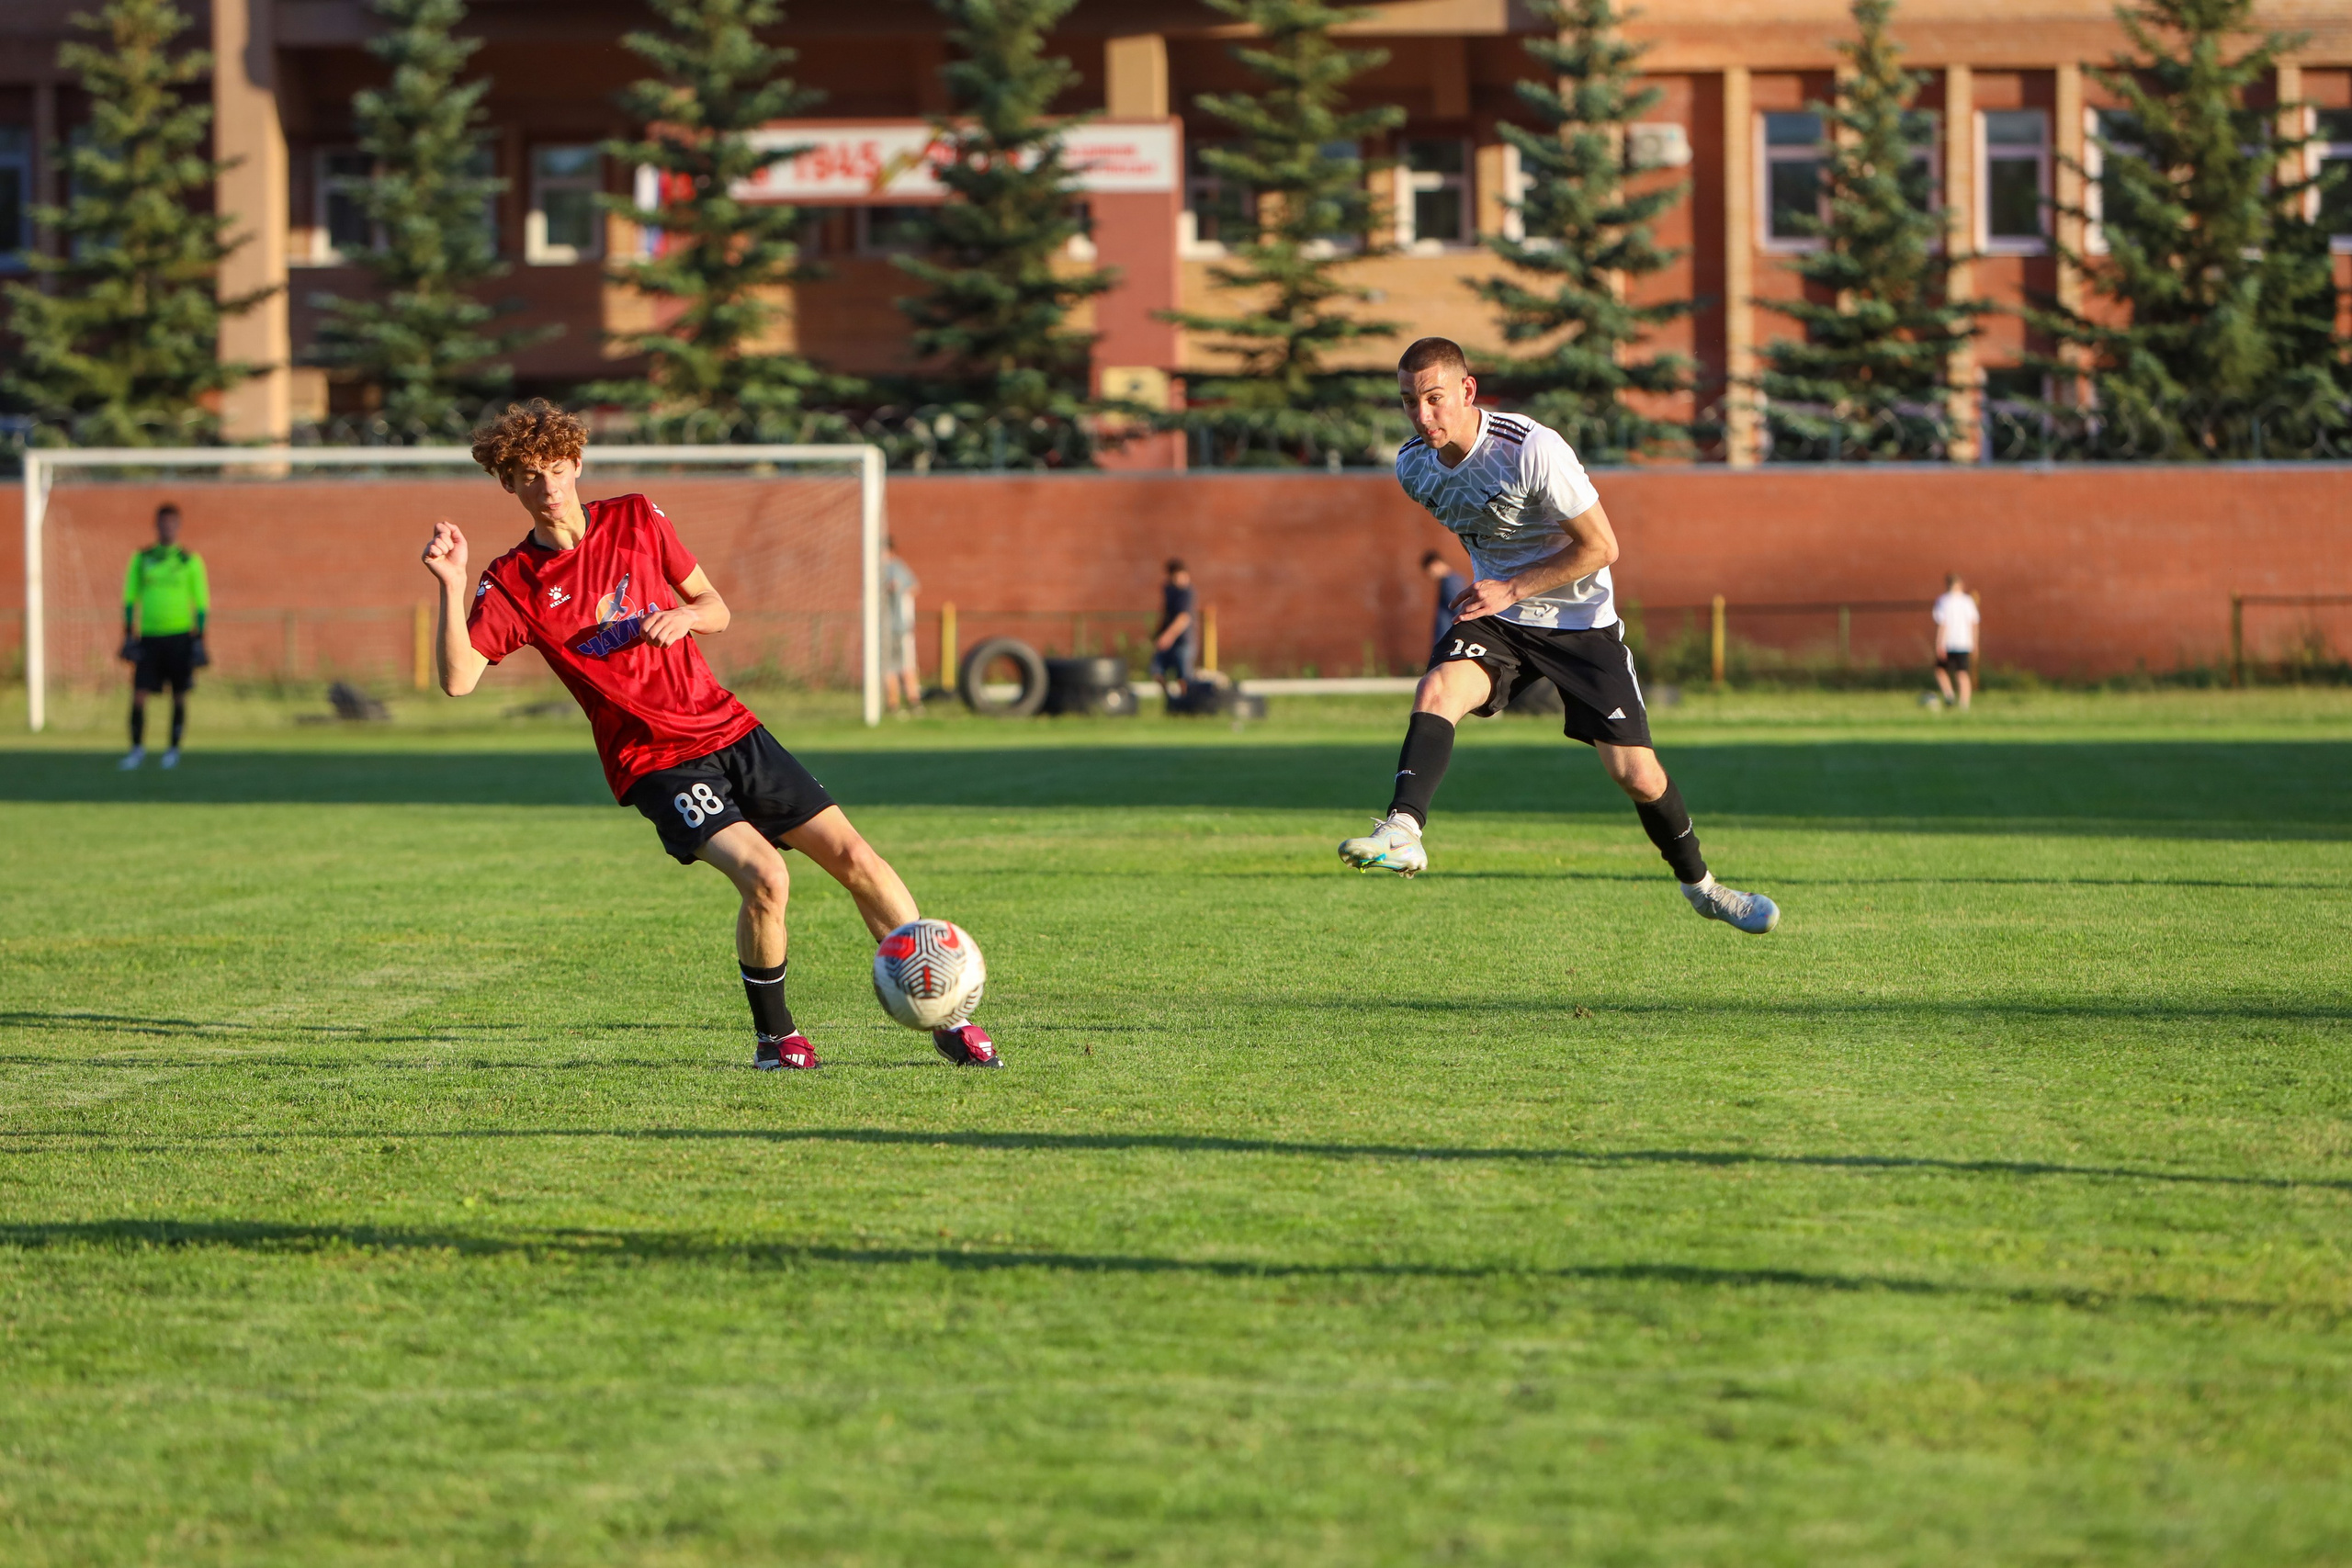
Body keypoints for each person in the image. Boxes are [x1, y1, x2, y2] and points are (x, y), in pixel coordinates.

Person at [420, 400, 999, 1070]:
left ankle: (946, 1016)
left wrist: (685, 616)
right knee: (766, 875)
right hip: (657, 761)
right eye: (527, 474)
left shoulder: (636, 517)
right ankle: (777, 1039)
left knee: (857, 859)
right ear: (509, 485)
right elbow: (459, 680)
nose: (546, 485)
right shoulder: (514, 581)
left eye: (555, 467)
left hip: (728, 726)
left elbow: (716, 607)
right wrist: (451, 583)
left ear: (577, 464)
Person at [1339, 338, 1781, 934]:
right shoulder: (1413, 467)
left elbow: (1603, 547)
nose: (1422, 416)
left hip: (1579, 624)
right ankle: (1403, 828)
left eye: (1435, 399)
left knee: (1636, 775)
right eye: (1409, 402)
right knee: (1439, 687)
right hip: (1501, 617)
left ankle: (1703, 888)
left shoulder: (1531, 449)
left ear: (1467, 391)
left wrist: (1512, 586)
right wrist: (1500, 592)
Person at [118, 502, 209, 771]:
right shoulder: (143, 558)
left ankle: (172, 750)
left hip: (180, 636)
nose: (167, 527)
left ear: (178, 526)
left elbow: (202, 601)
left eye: (172, 523)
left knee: (179, 694)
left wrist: (200, 636)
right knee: (139, 694)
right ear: (156, 525)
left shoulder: (189, 561)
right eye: (163, 523)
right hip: (149, 637)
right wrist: (127, 632)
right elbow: (129, 597)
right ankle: (136, 750)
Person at [881, 538, 923, 715]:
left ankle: (913, 701)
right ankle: (894, 704)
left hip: (898, 628)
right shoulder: (878, 570)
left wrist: (897, 589)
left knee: (904, 664)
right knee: (887, 666)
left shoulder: (895, 568)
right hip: (885, 628)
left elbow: (914, 587)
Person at [1150, 558, 1197, 697]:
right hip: (1167, 641)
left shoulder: (1187, 593)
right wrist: (1158, 632)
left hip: (1183, 641)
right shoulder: (1169, 590)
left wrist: (1168, 636)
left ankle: (1184, 704)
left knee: (1183, 677)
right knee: (1156, 671)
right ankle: (1171, 699)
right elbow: (1165, 613)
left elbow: (1184, 618)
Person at [1932, 572, 1979, 710]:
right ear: (1960, 584)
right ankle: (1964, 704)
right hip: (1964, 642)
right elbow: (1974, 623)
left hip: (1948, 642)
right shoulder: (1968, 601)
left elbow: (1943, 624)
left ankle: (1949, 696)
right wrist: (1975, 643)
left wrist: (1939, 643)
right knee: (1962, 673)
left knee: (1941, 671)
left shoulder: (1943, 601)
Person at [1422, 549, 1469, 653]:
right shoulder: (1455, 579)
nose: (1431, 575)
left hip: (1449, 640)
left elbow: (1460, 610)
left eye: (1429, 571)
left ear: (1435, 564)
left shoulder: (1449, 582)